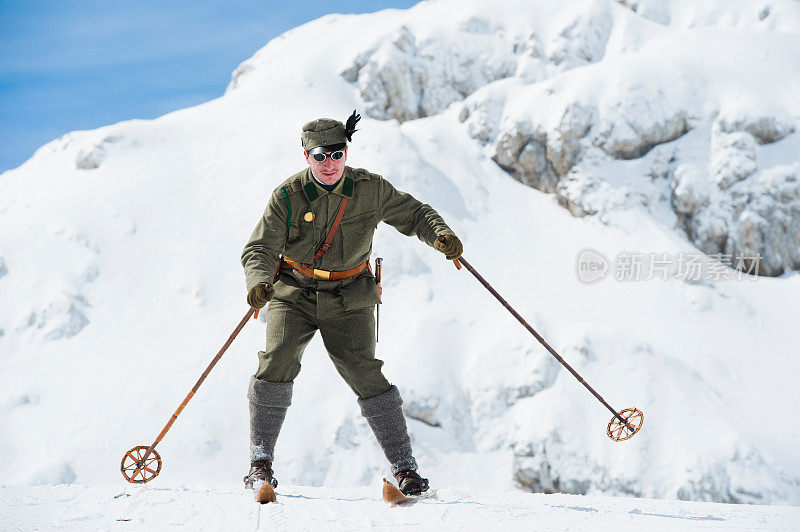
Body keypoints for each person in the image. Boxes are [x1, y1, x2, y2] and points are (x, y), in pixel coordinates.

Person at [240, 110, 463, 497]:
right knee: (276, 360)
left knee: (365, 373)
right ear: (306, 156)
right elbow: (260, 247)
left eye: (337, 152)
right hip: (294, 292)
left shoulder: (370, 189)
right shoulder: (287, 197)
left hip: (352, 295)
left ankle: (405, 470)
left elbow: (415, 214)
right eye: (320, 155)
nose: (330, 163)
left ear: (346, 151)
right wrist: (259, 283)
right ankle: (260, 463)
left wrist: (440, 236)